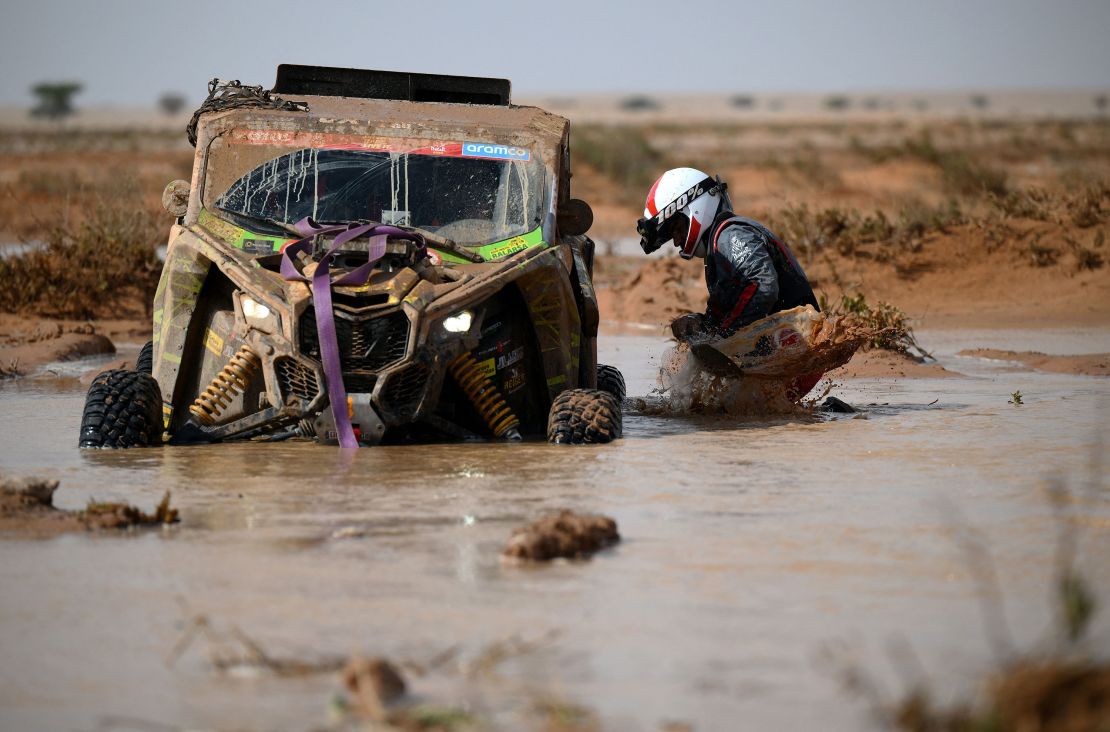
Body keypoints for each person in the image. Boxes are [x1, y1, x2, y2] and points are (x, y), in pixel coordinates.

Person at [637, 167, 819, 342]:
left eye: (677, 229)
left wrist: (726, 338)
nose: (676, 241)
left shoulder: (730, 234)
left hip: (796, 339)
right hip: (785, 343)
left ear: (694, 209)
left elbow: (763, 285)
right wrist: (698, 324)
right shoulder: (717, 247)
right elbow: (724, 310)